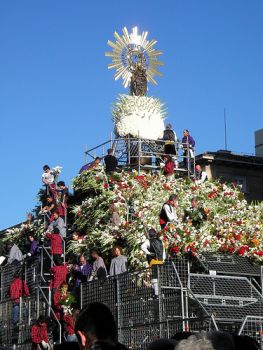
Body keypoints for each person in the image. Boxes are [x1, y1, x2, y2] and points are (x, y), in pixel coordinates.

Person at [141, 229, 166, 296]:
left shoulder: (148, 241)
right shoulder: (161, 241)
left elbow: (142, 247)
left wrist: (148, 253)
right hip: (160, 261)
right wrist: (163, 260)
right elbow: (163, 251)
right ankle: (158, 293)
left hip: (153, 261)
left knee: (155, 277)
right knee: (158, 277)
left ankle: (156, 293)